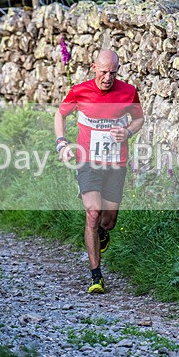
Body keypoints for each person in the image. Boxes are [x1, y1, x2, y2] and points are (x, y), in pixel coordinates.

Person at [54, 49, 144, 294]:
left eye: (113, 73)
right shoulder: (80, 91)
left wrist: (127, 132)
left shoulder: (127, 92)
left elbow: (139, 119)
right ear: (94, 67)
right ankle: (96, 276)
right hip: (87, 160)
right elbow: (59, 115)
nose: (108, 78)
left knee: (109, 220)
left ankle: (103, 232)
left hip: (116, 162)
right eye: (104, 72)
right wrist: (61, 142)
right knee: (93, 213)